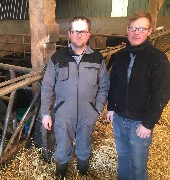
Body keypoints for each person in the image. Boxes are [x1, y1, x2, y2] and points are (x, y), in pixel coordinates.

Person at [41, 16, 110, 179]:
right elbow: (47, 86)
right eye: (75, 31)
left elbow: (104, 86)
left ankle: (82, 170)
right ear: (69, 34)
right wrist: (45, 113)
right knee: (63, 144)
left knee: (84, 143)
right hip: (64, 112)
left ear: (89, 34)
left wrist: (97, 109)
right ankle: (61, 172)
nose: (79, 35)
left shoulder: (97, 58)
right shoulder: (57, 58)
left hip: (88, 112)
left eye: (83, 31)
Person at [107, 11, 170, 180]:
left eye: (141, 29)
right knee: (123, 158)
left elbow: (162, 94)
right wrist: (111, 107)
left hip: (140, 123)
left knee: (138, 164)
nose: (136, 33)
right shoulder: (120, 56)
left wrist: (148, 123)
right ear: (127, 30)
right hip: (119, 119)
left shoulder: (158, 58)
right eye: (133, 28)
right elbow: (113, 84)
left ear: (150, 31)